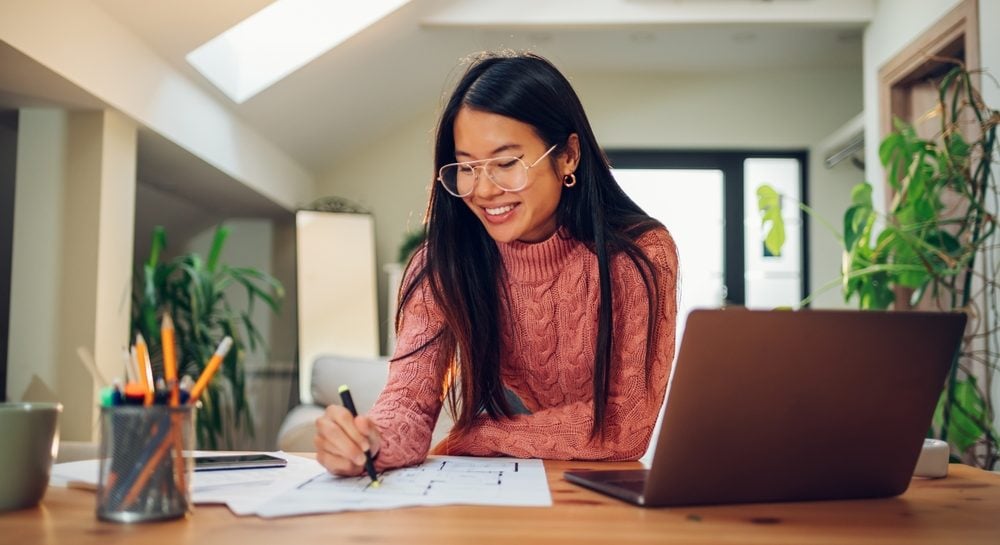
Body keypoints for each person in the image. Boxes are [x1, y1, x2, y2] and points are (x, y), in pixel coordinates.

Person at [314, 51, 678, 476]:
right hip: (521, 484)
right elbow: (407, 405)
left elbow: (623, 428)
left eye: (506, 163)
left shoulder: (638, 255)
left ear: (568, 156)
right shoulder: (442, 263)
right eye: (466, 167)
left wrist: (477, 435)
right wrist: (369, 441)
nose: (483, 190)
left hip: (603, 489)